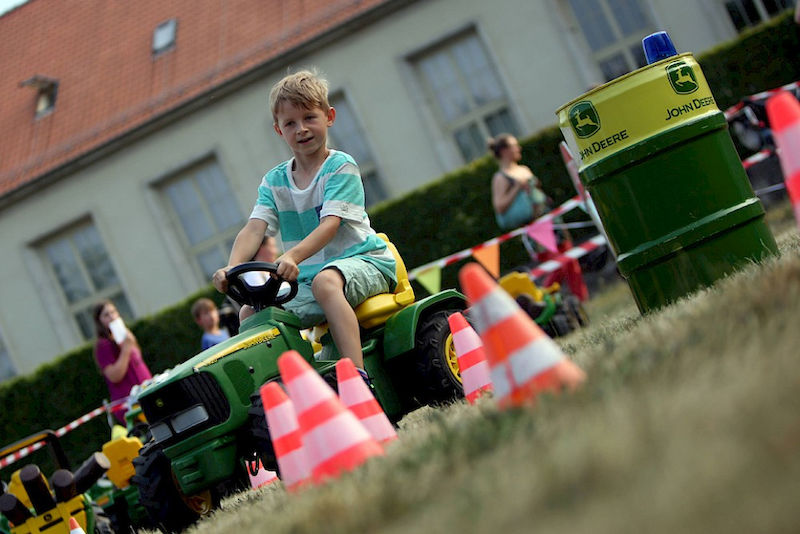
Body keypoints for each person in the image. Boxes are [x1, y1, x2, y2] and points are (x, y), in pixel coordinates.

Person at [212, 69, 396, 376]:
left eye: (310, 117)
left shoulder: (340, 167)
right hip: (308, 281)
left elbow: (330, 224)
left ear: (329, 117)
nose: (301, 129)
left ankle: (357, 379)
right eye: (290, 123)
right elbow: (254, 228)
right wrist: (231, 269)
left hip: (364, 262)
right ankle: (294, 384)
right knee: (250, 312)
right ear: (278, 130)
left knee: (327, 281)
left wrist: (293, 255)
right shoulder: (274, 181)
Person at [488, 133, 589, 301]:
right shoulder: (500, 177)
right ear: (505, 151)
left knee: (570, 261)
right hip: (535, 227)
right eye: (514, 145)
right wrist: (517, 188)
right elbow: (499, 206)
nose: (518, 148)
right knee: (557, 265)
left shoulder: (523, 168)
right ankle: (539, 301)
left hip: (551, 220)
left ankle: (581, 300)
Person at [93, 300, 152, 422]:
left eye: (113, 312)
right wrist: (125, 349)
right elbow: (114, 376)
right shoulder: (103, 345)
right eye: (106, 315)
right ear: (99, 321)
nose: (112, 317)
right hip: (130, 405)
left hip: (146, 396)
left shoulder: (125, 335)